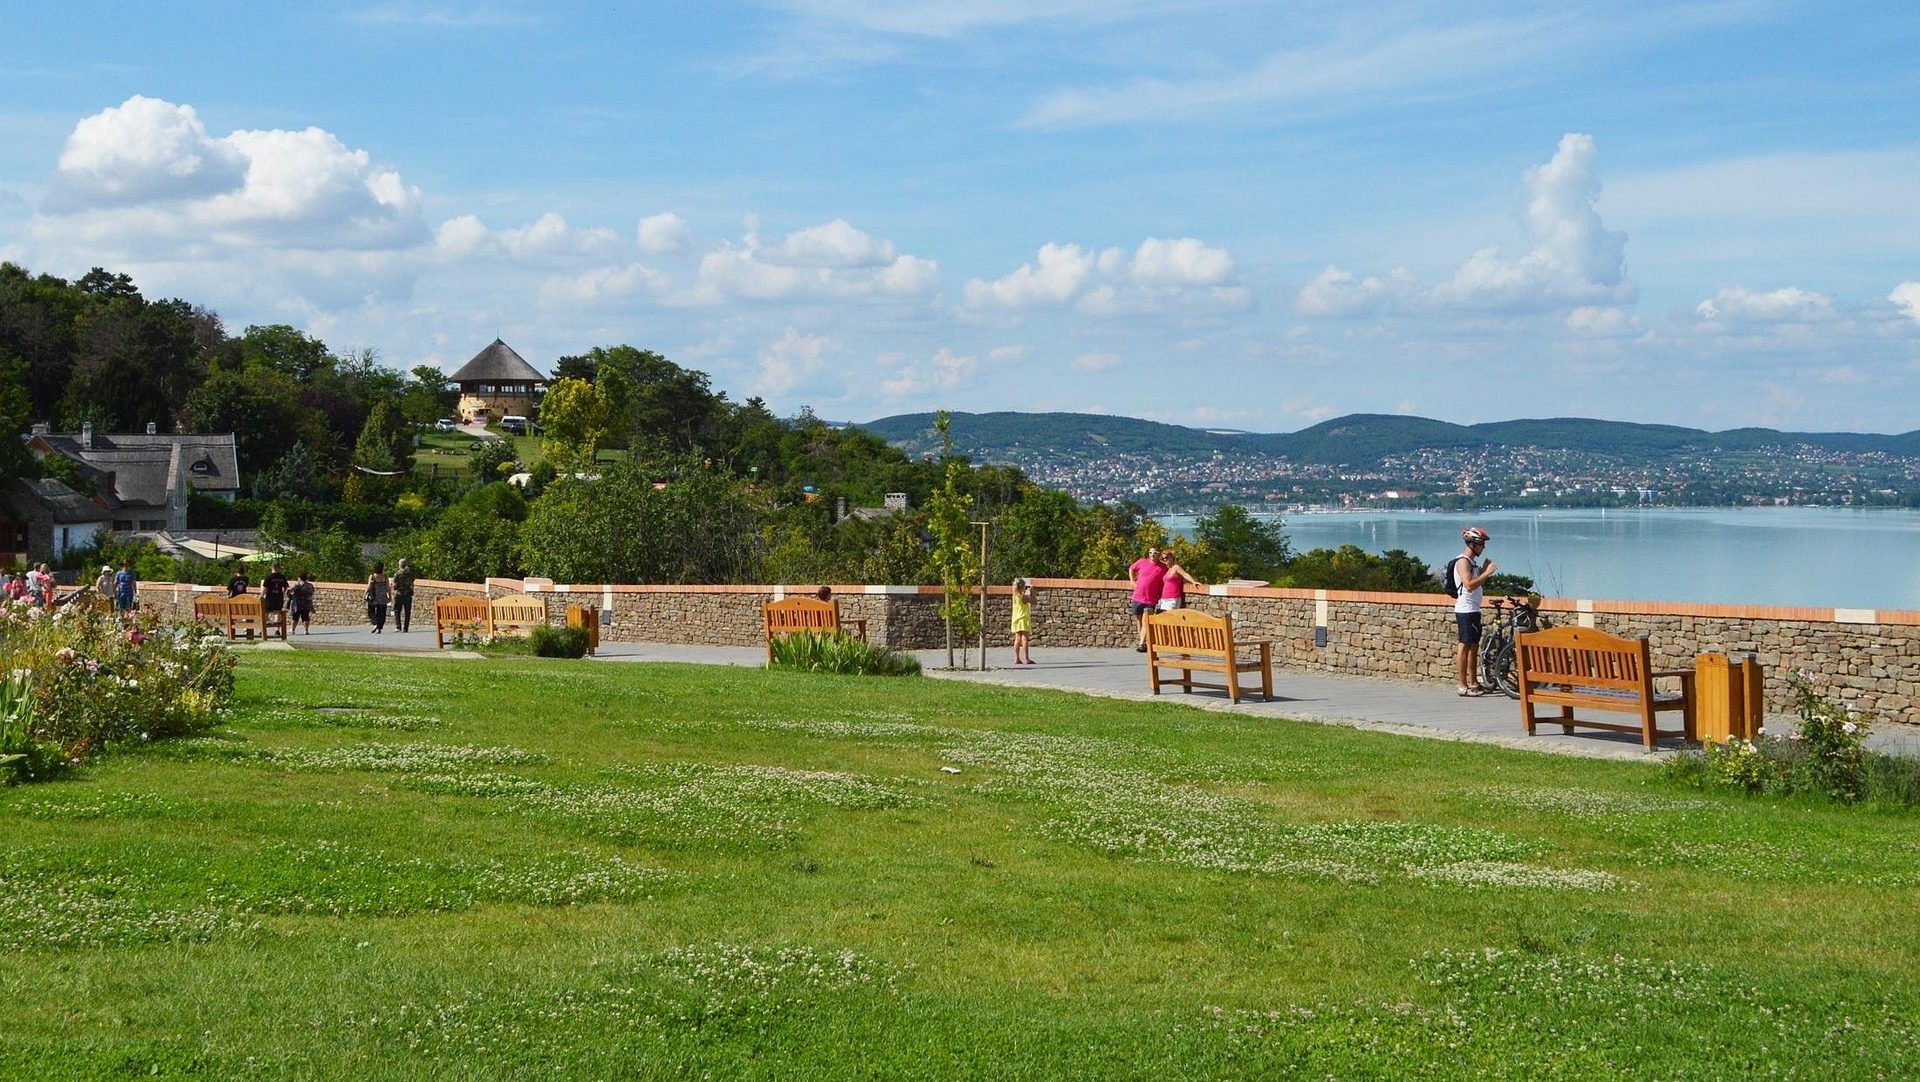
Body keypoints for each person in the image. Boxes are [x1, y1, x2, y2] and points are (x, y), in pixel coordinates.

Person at [1451, 526, 1498, 696]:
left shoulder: (1472, 563)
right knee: (1464, 646)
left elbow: (1475, 584)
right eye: (1482, 544)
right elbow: (1469, 585)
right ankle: (1462, 686)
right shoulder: (1463, 562)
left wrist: (1483, 571)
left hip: (1473, 609)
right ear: (1473, 544)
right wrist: (1487, 573)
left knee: (1473, 647)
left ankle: (1474, 683)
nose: (1484, 547)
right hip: (1466, 610)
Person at [1128, 546, 1163, 651]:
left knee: (1145, 621)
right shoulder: (1142, 562)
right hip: (1138, 596)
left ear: (1159, 554)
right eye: (1150, 552)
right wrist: (1132, 581)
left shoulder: (1163, 567)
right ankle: (1142, 642)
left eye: (1155, 553)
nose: (1152, 555)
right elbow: (1131, 568)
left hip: (1151, 599)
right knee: (1139, 620)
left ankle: (1141, 643)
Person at [1010, 577, 1035, 665]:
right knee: (1024, 638)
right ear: (1022, 587)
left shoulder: (1015, 596)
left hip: (1016, 619)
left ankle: (1017, 658)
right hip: (1023, 618)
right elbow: (1034, 602)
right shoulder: (1023, 597)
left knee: (1017, 639)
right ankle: (1027, 658)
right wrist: (1032, 592)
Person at [391, 558, 416, 633]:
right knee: (407, 611)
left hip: (399, 594)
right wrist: (412, 590)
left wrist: (392, 586)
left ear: (400, 565)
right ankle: (406, 628)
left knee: (397, 610)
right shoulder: (410, 573)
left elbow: (395, 585)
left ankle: (398, 626)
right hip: (408, 594)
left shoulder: (398, 573)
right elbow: (412, 583)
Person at [365, 562, 390, 633]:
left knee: (371, 611)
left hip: (374, 597)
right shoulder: (385, 576)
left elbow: (369, 586)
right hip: (383, 597)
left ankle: (375, 623)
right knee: (382, 613)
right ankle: (379, 627)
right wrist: (389, 596)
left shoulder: (372, 576)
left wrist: (365, 594)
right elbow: (388, 587)